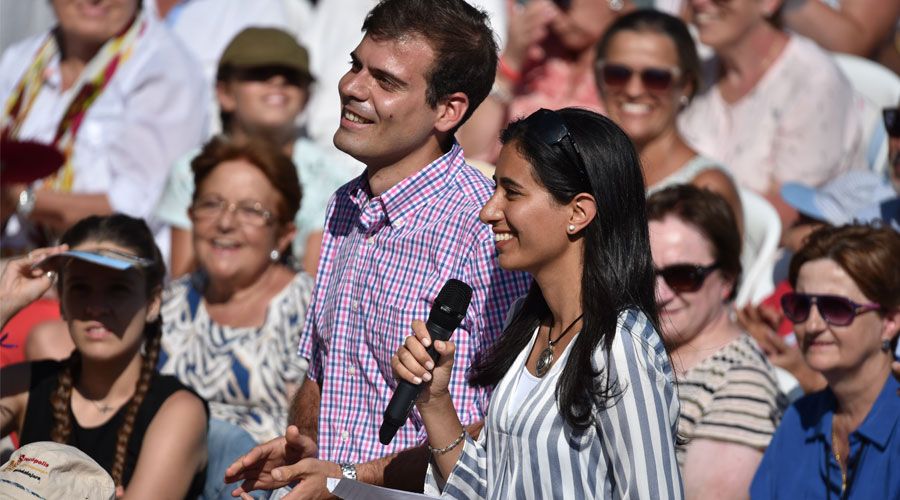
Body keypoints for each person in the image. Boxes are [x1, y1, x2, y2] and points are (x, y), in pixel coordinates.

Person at [225, 0, 531, 497]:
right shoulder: (343, 205)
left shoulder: (485, 228)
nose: (351, 87)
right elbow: (322, 369)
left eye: (385, 81)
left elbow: (503, 428)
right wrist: (304, 455)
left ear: (448, 110)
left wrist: (348, 479)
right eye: (354, 65)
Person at [391, 107, 682, 498]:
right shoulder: (527, 324)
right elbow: (492, 490)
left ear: (578, 212)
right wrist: (435, 401)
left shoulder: (621, 345)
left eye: (511, 192)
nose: (488, 211)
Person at [0, 214, 208, 498]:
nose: (96, 307)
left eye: (117, 289)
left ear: (152, 302)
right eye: (80, 288)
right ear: (61, 301)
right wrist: (3, 305)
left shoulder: (178, 410)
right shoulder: (27, 384)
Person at [0, 0, 207, 256]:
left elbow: (137, 209)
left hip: (110, 279)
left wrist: (22, 200)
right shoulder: (19, 60)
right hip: (16, 269)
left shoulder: (163, 67)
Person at [155, 27, 357, 278]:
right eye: (260, 74)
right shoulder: (190, 170)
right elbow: (182, 278)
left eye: (293, 77)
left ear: (306, 97)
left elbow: (314, 284)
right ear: (225, 93)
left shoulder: (331, 179)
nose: (278, 82)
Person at [158, 136, 313, 446]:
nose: (226, 222)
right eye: (211, 204)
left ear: (283, 235)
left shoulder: (311, 311)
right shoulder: (164, 306)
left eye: (251, 211)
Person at [646, 185, 785, 499]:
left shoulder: (740, 386)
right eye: (644, 273)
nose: (659, 293)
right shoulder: (639, 352)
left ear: (727, 280)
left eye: (683, 275)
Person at [678, 0, 864, 227]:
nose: (698, 2)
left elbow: (788, 210)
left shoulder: (812, 81)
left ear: (769, 3)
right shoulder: (698, 72)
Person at [750, 224, 900, 498]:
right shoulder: (798, 420)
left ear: (889, 322)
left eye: (836, 308)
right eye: (801, 306)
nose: (812, 324)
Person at [595, 9, 742, 231]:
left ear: (686, 85)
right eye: (617, 73)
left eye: (656, 77)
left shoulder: (706, 189)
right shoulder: (584, 170)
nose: (633, 90)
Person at [458, 0, 627, 163]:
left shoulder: (637, 68)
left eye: (563, 2)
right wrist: (510, 63)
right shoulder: (534, 52)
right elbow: (472, 152)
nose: (552, 15)